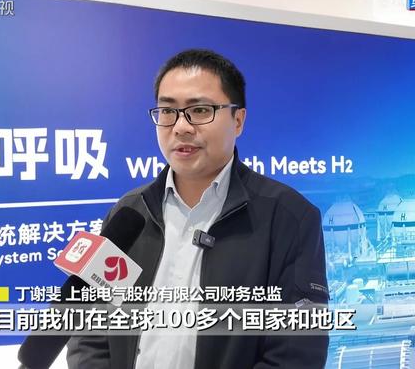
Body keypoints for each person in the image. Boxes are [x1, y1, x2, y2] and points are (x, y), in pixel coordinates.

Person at [67, 49, 329, 369]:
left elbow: (295, 354)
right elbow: (88, 331)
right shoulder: (128, 213)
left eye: (200, 110)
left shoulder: (289, 217)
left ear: (238, 120)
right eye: (168, 111)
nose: (181, 127)